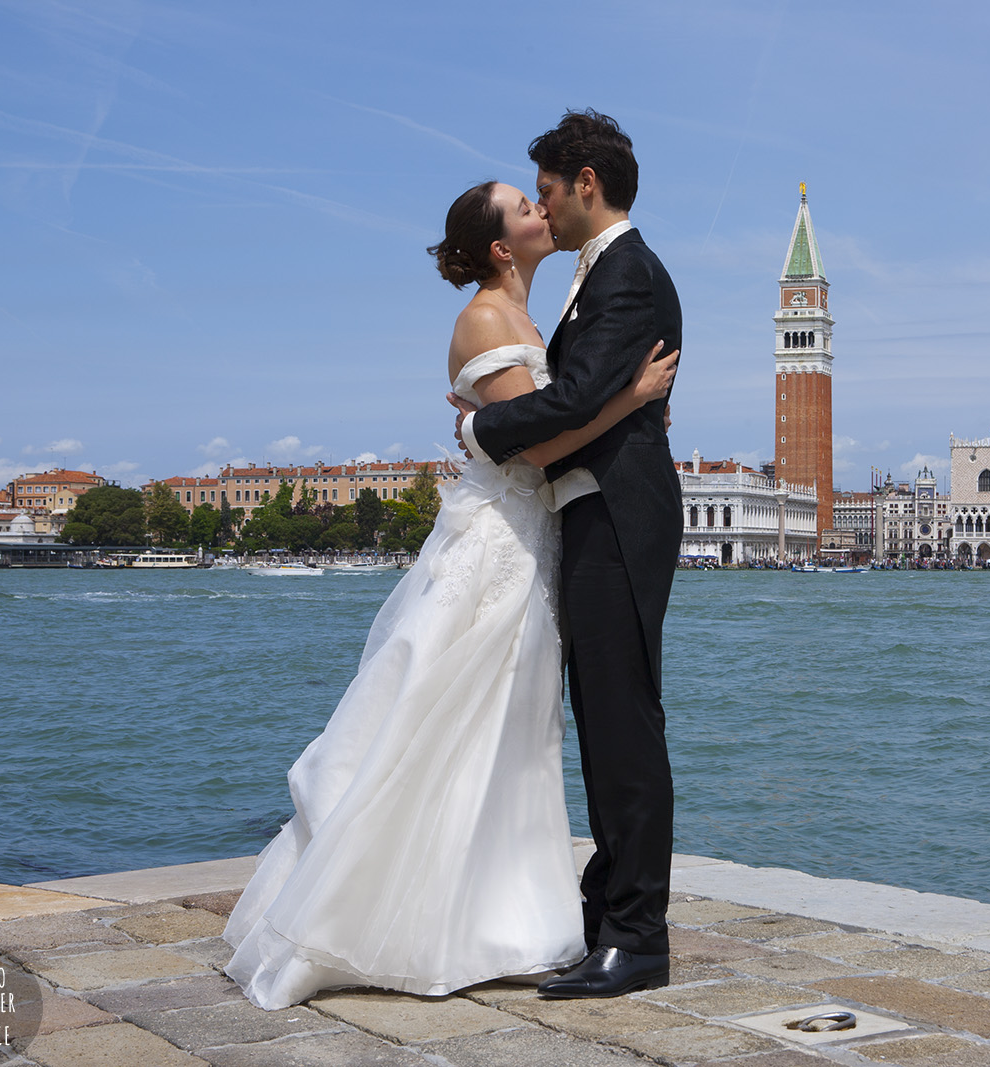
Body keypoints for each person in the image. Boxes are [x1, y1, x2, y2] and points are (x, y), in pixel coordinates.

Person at [219, 178, 678, 1012]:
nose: (542, 212)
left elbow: (549, 414)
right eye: (525, 207)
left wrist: (616, 407)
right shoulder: (485, 319)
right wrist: (631, 401)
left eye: (542, 199)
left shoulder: (541, 315)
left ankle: (502, 911)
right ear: (503, 246)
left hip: (540, 538)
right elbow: (535, 451)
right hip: (506, 538)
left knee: (511, 725)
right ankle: (437, 913)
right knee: (458, 711)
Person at [450, 109, 681, 999]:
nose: (543, 203)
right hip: (596, 515)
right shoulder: (602, 275)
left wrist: (480, 427)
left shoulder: (625, 273)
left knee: (624, 725)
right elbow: (595, 397)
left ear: (586, 181)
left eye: (546, 187)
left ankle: (638, 935)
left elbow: (580, 396)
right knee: (608, 723)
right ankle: (609, 907)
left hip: (616, 519)